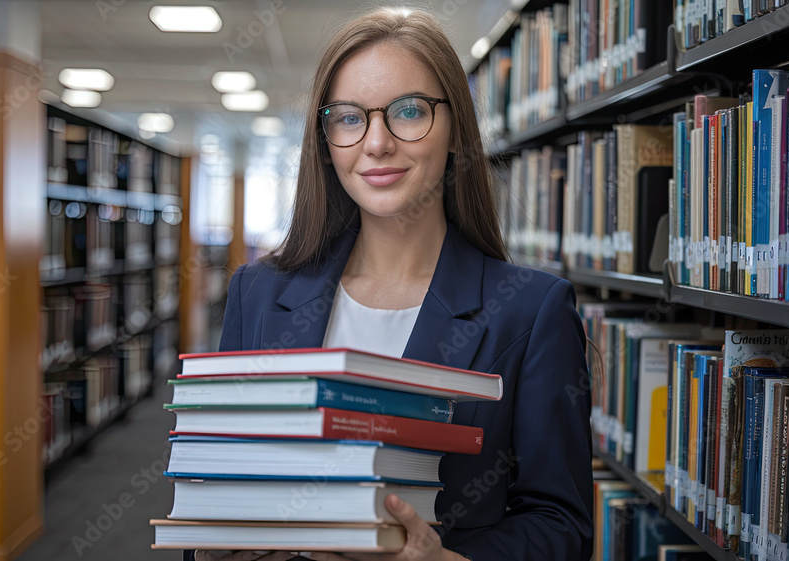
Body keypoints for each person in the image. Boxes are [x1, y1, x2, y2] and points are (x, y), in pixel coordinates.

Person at [192, 7, 593, 561]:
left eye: (408, 111)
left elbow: (561, 527)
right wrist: (212, 544)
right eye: (350, 118)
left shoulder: (531, 311)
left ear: (456, 131)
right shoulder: (257, 293)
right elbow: (210, 485)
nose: (376, 143)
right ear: (327, 139)